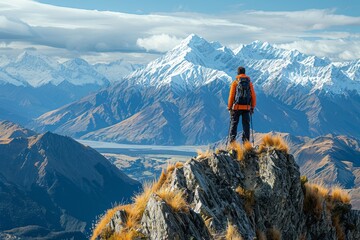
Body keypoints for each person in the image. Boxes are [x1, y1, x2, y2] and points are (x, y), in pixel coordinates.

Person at [227, 66, 256, 143]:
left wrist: (229, 107)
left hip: (236, 108)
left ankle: (232, 143)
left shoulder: (235, 82)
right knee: (246, 126)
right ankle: (246, 144)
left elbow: (231, 95)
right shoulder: (249, 83)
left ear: (238, 73)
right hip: (246, 108)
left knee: (234, 124)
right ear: (244, 73)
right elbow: (253, 95)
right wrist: (252, 107)